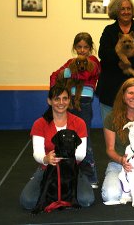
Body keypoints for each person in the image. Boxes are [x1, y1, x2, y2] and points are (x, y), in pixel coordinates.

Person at [20, 85, 94, 210]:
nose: (61, 103)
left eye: (65, 99)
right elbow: (37, 152)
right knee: (28, 202)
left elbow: (81, 154)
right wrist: (46, 159)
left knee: (86, 200)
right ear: (49, 101)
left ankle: (61, 195)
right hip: (48, 168)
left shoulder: (79, 122)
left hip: (72, 167)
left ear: (69, 100)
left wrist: (63, 158)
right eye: (56, 99)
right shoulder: (40, 123)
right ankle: (43, 183)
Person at [50, 32, 101, 188]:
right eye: (79, 47)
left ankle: (91, 176)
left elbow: (85, 73)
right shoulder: (70, 62)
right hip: (68, 103)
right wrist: (55, 93)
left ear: (90, 48)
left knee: (84, 138)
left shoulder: (93, 61)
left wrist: (66, 73)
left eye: (86, 47)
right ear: (74, 47)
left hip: (84, 103)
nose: (82, 50)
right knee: (67, 137)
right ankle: (65, 172)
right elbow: (54, 76)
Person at [96, 0, 134, 124]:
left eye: (129, 8)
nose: (126, 12)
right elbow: (104, 54)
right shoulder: (109, 31)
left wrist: (123, 59)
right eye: (122, 9)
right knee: (111, 125)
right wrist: (127, 58)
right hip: (112, 87)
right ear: (116, 11)